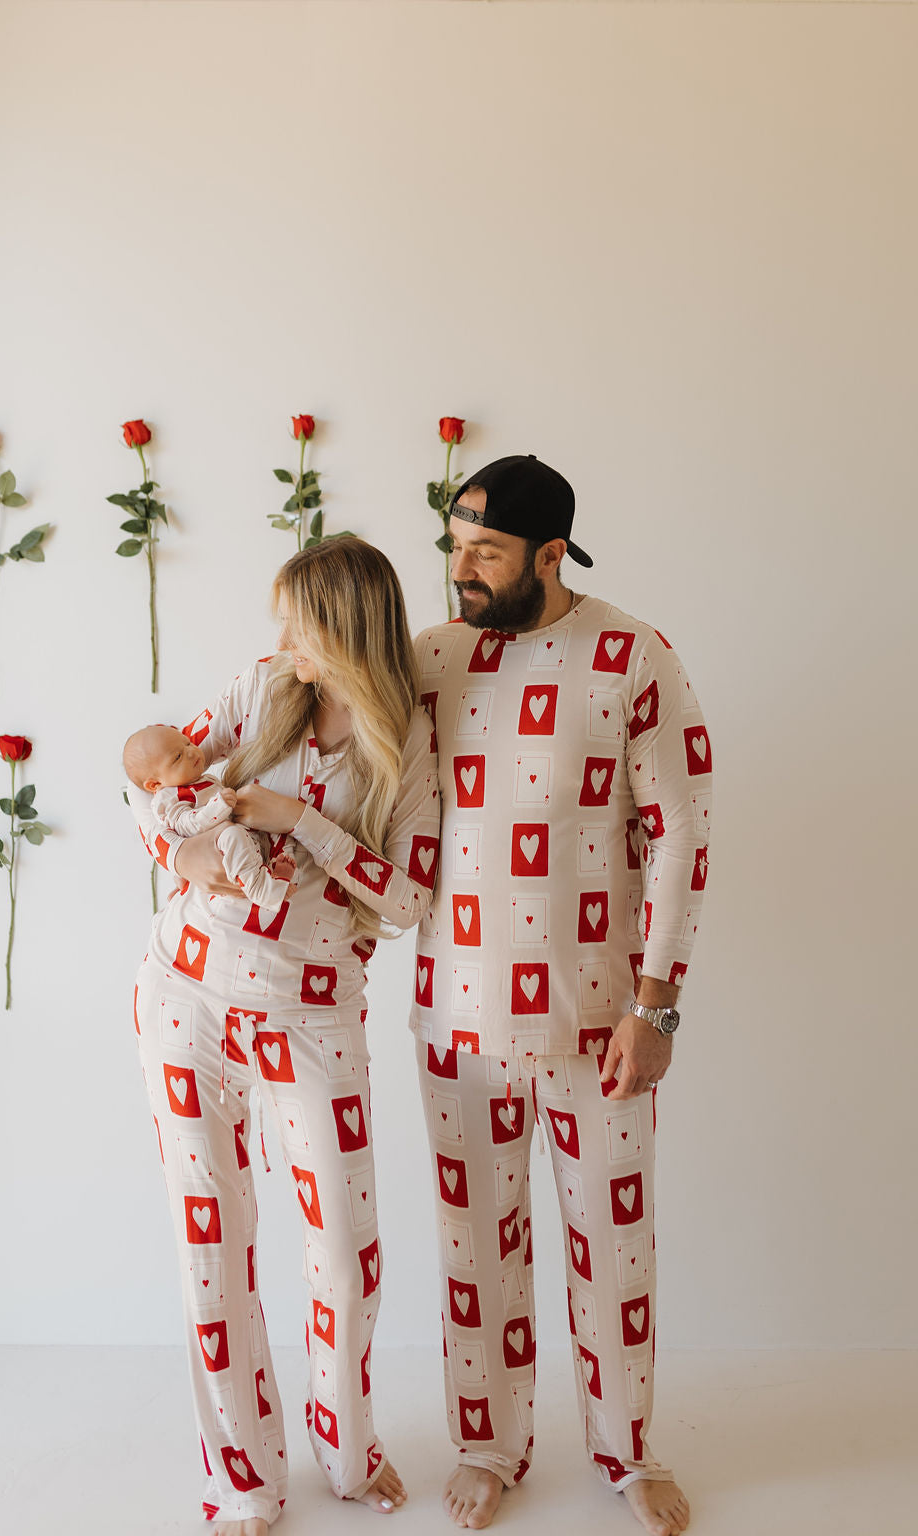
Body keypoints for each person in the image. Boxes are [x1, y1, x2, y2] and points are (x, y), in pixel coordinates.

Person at [411, 455, 710, 1536]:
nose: (461, 568)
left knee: (612, 1243)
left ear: (549, 553)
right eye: (455, 544)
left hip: (599, 1026)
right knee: (473, 1247)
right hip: (456, 1014)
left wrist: (657, 1004)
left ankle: (626, 1452)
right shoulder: (433, 658)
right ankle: (489, 1446)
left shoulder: (634, 656)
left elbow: (681, 833)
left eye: (484, 550)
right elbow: (322, 718)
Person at [127, 537, 441, 1535]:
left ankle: (345, 1453)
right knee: (211, 1244)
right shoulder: (259, 688)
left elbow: (407, 899)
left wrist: (301, 822)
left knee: (344, 1255)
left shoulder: (408, 741)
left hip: (311, 1019)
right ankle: (245, 1482)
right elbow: (145, 787)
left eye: (297, 623)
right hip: (188, 998)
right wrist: (190, 851)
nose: (278, 639)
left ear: (344, 633)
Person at [123, 722, 297, 911]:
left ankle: (276, 869)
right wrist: (217, 807)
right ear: (155, 784)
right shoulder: (168, 798)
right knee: (232, 836)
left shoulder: (204, 780)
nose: (190, 752)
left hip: (240, 837)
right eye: (178, 757)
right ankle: (261, 889)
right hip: (215, 847)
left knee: (274, 827)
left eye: (188, 743)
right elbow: (187, 825)